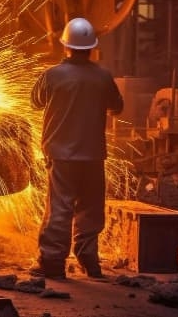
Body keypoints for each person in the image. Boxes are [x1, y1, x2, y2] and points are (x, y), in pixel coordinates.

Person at [29, 17, 124, 280]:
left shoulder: (52, 75)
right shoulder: (103, 76)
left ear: (65, 46)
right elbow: (117, 107)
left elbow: (35, 102)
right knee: (91, 209)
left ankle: (52, 263)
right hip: (93, 154)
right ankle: (90, 262)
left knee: (60, 208)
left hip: (61, 155)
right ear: (92, 48)